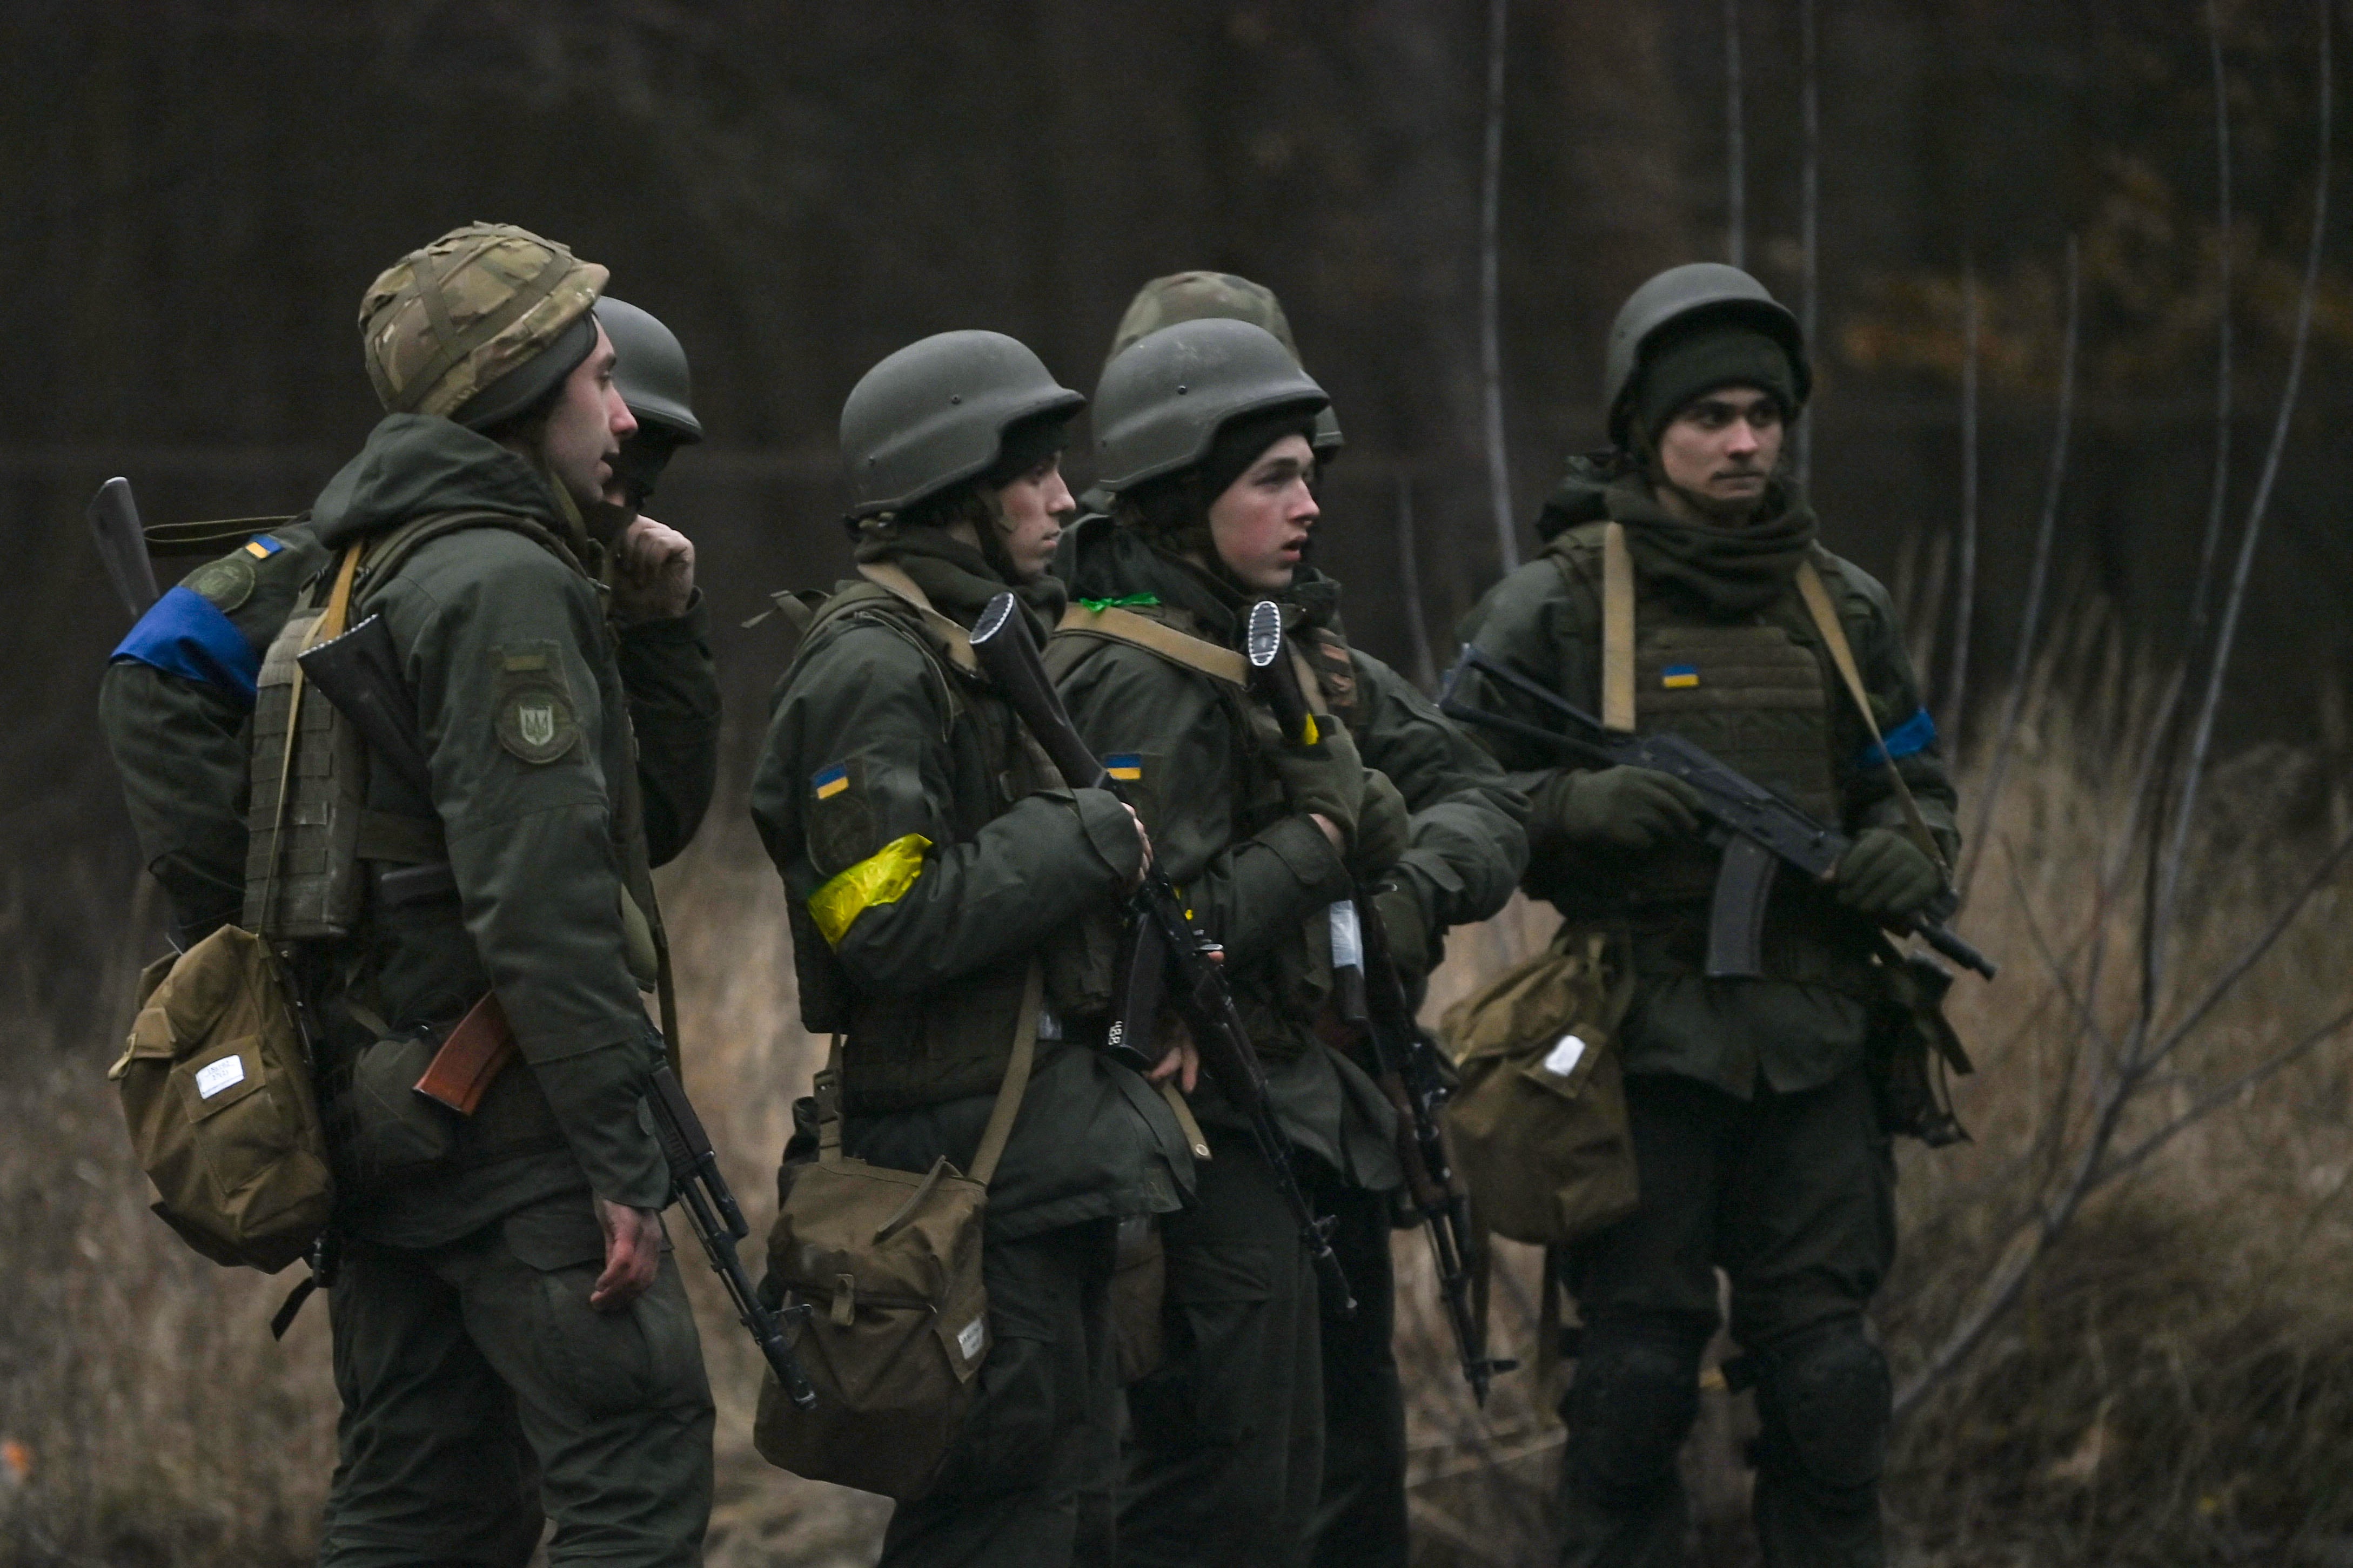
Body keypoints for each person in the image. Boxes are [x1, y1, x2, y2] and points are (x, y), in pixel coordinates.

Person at [102, 223, 721, 1566]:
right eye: (600, 379)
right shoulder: (497, 581)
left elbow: (621, 828)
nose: (626, 416)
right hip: (514, 1134)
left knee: (419, 1504)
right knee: (633, 1475)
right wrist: (623, 1158)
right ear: (519, 387)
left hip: (390, 1120)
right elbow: (544, 898)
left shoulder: (364, 562)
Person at [1451, 263, 1962, 1567]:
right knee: (1628, 1392)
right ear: (1644, 431)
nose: (1744, 442)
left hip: (1817, 1045)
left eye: (1763, 415)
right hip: (1640, 1050)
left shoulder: (1840, 608)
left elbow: (1917, 784)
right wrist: (1570, 810)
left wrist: (1908, 853)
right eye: (1709, 418)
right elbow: (1438, 793)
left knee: (1832, 1391)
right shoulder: (1559, 603)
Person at [1088, 272, 1528, 1568]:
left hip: (1335, 1112)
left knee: (1346, 1479)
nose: (1307, 503)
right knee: (1213, 1486)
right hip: (1199, 1138)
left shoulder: (1309, 651)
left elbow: (1485, 801)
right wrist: (1321, 857)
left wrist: (1392, 908)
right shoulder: (1113, 653)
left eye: (1305, 467)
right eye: (1270, 473)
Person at [749, 329, 1196, 1568]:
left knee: (1073, 1503)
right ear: (953, 489)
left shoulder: (981, 652)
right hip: (960, 1166)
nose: (1065, 500)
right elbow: (883, 921)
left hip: (1040, 1153)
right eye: (1034, 474)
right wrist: (1088, 837)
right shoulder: (872, 668)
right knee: (995, 1513)